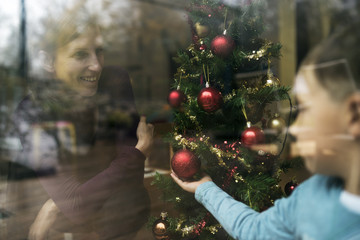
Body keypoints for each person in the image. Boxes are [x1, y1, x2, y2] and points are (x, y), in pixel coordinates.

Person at [171, 23, 360, 239]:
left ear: (353, 114)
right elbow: (256, 231)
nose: (295, 128)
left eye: (307, 109)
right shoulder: (314, 194)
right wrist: (205, 188)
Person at [7, 3, 154, 240]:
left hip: (106, 210)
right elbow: (76, 206)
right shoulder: (32, 112)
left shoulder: (115, 81)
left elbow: (130, 183)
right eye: (80, 54)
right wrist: (138, 153)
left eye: (99, 51)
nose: (96, 65)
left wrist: (56, 205)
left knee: (128, 203)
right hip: (43, 221)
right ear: (49, 62)